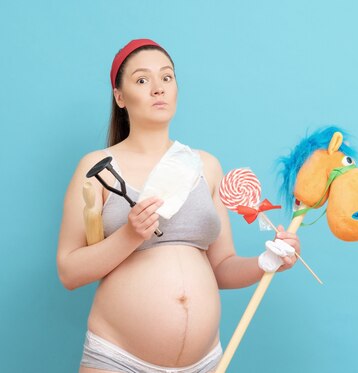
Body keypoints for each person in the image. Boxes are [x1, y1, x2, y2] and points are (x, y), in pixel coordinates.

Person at [56, 38, 302, 373]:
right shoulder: (97, 168)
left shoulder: (205, 166)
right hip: (117, 359)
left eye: (167, 78)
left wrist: (266, 261)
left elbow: (222, 267)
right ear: (119, 97)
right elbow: (69, 271)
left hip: (205, 362)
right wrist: (129, 235)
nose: (158, 88)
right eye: (142, 80)